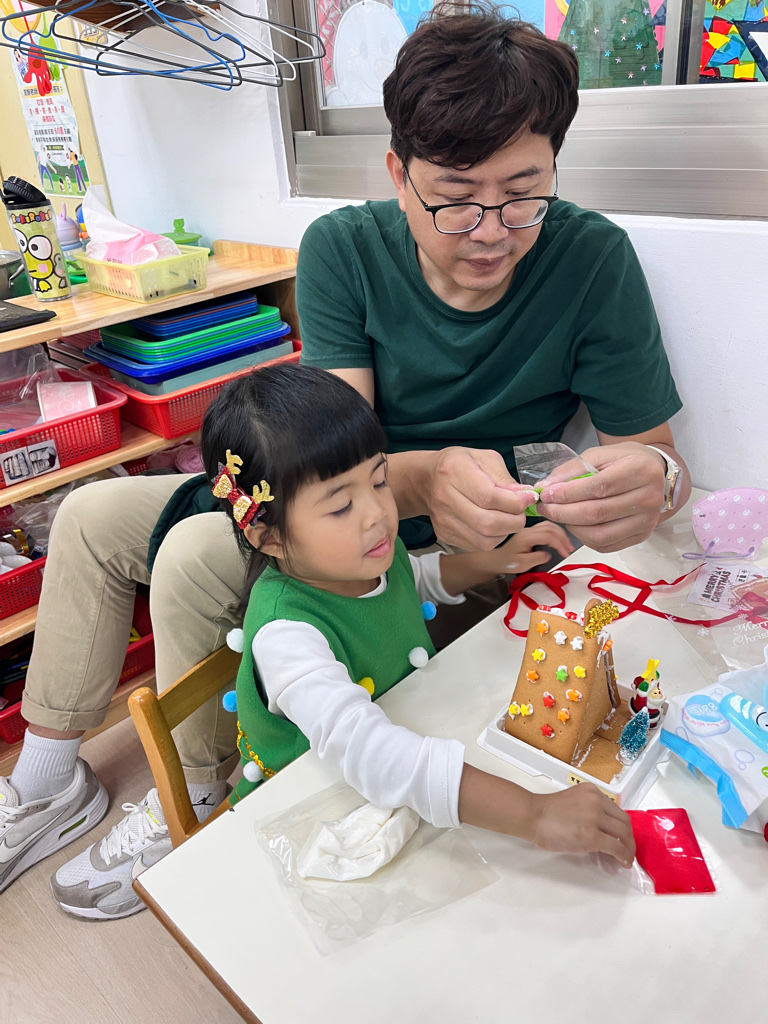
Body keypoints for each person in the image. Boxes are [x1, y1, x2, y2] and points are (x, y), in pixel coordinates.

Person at [0, 4, 686, 915]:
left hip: (443, 553)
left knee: (197, 554)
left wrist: (655, 483)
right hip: (346, 502)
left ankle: (194, 792)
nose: (491, 229)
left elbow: (655, 464)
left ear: (554, 169)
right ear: (398, 174)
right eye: (454, 198)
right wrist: (427, 475)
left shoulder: (593, 260)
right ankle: (47, 783)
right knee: (89, 512)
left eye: (524, 193)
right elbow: (327, 457)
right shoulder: (344, 250)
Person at [203, 363, 635, 866]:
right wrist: (534, 815)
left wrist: (496, 562)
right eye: (340, 506)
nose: (377, 513)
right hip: (311, 824)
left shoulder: (360, 559)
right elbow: (368, 751)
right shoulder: (286, 636)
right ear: (269, 536)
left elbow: (414, 580)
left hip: (401, 769)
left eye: (379, 481)